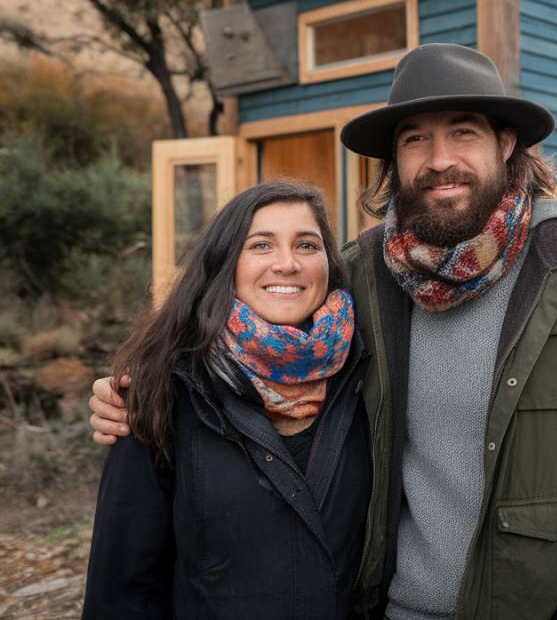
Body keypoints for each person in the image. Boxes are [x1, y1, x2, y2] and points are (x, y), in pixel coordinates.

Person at [91, 43, 557, 619]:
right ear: (393, 161)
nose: (439, 160)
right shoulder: (362, 277)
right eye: (415, 139)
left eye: (463, 132)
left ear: (506, 144)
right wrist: (135, 393)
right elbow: (255, 337)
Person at [83, 181, 370, 620]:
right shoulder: (166, 390)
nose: (287, 264)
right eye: (261, 245)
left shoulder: (368, 375)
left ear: (329, 264)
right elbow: (122, 587)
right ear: (226, 264)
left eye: (307, 245)